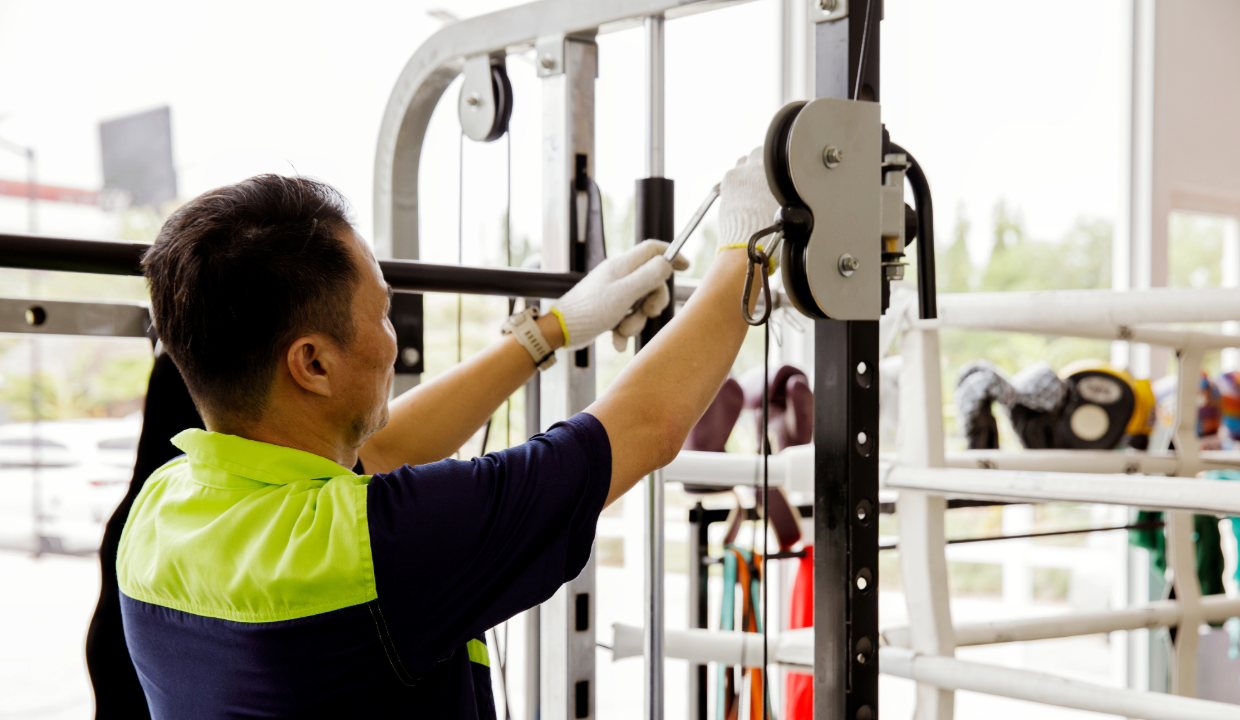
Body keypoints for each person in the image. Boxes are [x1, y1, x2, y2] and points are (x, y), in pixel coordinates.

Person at [115, 149, 778, 719]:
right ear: (312, 363)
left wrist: (555, 328)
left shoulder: (160, 512)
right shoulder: (380, 549)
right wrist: (746, 247)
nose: (390, 334)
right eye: (382, 311)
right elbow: (643, 426)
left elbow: (381, 450)